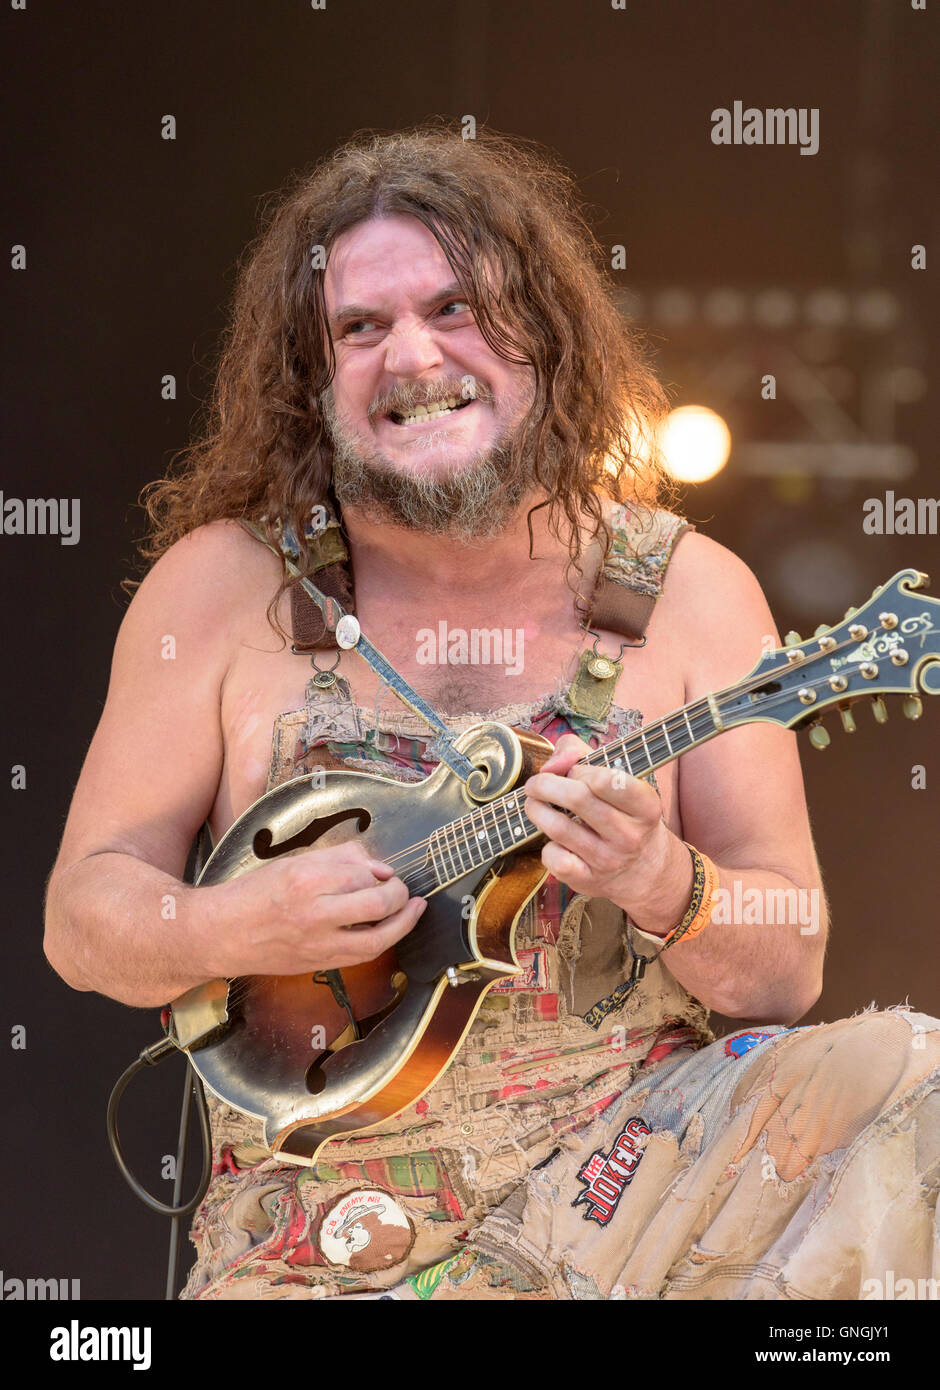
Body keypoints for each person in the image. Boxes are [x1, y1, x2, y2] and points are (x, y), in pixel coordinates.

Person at [43, 124, 938, 1301]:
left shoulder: (689, 590)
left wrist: (662, 878)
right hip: (334, 1234)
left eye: (455, 309)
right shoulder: (222, 591)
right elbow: (82, 919)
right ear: (312, 380)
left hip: (642, 1196)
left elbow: (786, 967)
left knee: (912, 1080)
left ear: (544, 342)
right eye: (359, 329)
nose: (410, 356)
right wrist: (236, 925)